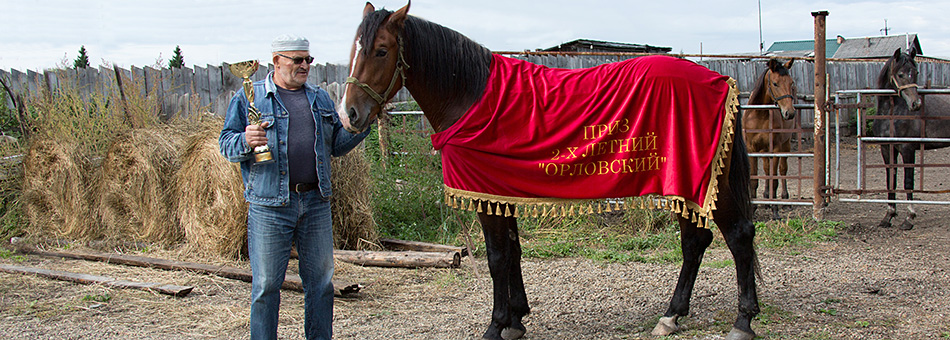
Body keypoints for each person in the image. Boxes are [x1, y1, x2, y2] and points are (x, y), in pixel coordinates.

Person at [219, 34, 371, 340]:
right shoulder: (251, 97)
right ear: (276, 61)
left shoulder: (320, 98)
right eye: (297, 60)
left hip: (315, 202)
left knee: (321, 283)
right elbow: (226, 144)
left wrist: (362, 124)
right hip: (269, 206)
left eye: (308, 60)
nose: (304, 66)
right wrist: (246, 141)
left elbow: (336, 147)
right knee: (266, 287)